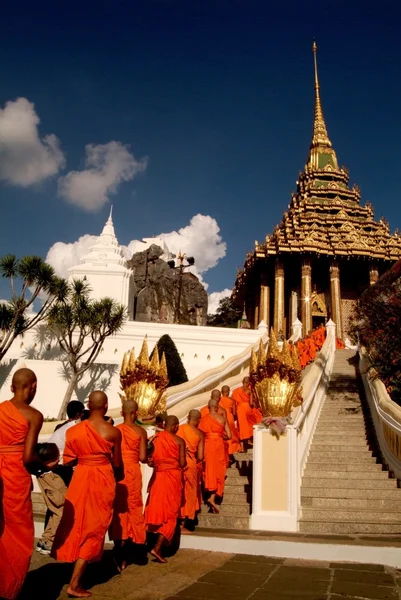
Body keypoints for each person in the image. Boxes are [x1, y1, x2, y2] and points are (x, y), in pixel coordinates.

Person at [52, 391, 123, 599]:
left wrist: (86, 458)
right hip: (102, 478)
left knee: (78, 522)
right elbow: (118, 465)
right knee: (96, 525)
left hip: (81, 477)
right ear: (106, 406)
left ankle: (74, 569)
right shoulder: (112, 432)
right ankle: (75, 583)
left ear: (88, 406)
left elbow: (70, 461)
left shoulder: (74, 431)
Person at [0, 368, 43, 600]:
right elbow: (28, 457)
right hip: (15, 475)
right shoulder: (33, 415)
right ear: (33, 386)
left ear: (11, 387)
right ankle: (8, 588)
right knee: (18, 533)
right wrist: (45, 463)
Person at [36, 400, 85, 554]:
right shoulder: (74, 429)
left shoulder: (61, 427)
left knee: (54, 507)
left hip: (48, 471)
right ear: (79, 414)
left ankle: (46, 540)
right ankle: (51, 540)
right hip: (59, 470)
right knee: (61, 507)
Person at [109, 400, 147, 572]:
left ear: (122, 413)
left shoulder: (114, 431)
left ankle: (119, 549)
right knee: (134, 506)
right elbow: (143, 458)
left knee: (118, 508)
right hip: (132, 470)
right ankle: (133, 545)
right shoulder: (141, 431)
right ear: (136, 413)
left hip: (117, 471)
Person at [145, 415, 186, 563]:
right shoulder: (179, 441)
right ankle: (157, 547)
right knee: (171, 512)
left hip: (158, 477)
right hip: (173, 478)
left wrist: (159, 463)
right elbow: (182, 463)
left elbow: (149, 461)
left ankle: (149, 542)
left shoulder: (155, 439)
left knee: (157, 507)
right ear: (175, 426)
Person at [199, 395, 231, 513]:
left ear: (208, 408)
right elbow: (229, 435)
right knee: (219, 470)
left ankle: (209, 494)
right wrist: (219, 435)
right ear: (217, 407)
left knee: (209, 470)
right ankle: (213, 497)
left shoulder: (203, 419)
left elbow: (200, 435)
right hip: (218, 445)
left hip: (207, 445)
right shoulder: (222, 418)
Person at [177, 410, 204, 533]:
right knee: (190, 493)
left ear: (187, 417)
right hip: (191, 464)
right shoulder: (200, 434)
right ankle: (185, 523)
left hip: (178, 463)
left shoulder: (180, 429)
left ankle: (177, 521)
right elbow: (201, 456)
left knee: (179, 491)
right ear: (199, 420)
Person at [232, 377, 262, 450]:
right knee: (251, 424)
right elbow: (251, 403)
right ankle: (250, 439)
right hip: (247, 408)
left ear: (242, 381)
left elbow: (233, 402)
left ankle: (243, 445)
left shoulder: (235, 391)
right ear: (249, 383)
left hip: (239, 409)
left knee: (242, 426)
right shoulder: (249, 390)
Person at [219, 386, 241, 458]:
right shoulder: (232, 400)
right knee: (232, 433)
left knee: (224, 432)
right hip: (230, 417)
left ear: (222, 392)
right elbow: (234, 413)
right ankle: (233, 448)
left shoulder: (219, 400)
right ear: (228, 392)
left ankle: (226, 449)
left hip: (221, 417)